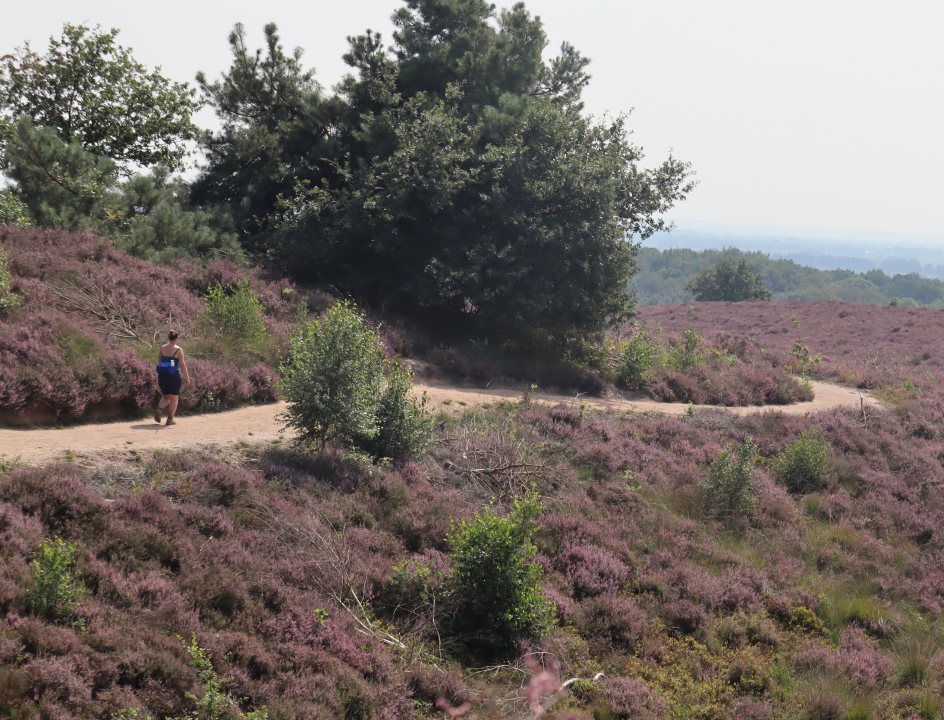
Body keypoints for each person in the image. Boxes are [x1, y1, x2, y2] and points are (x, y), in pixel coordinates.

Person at [154, 329, 190, 426]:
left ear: (168, 338)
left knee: (166, 396)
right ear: (176, 338)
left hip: (163, 376)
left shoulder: (162, 348)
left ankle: (159, 409)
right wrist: (187, 378)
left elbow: (159, 362)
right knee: (174, 398)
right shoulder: (178, 350)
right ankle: (170, 419)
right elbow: (182, 365)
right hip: (174, 377)